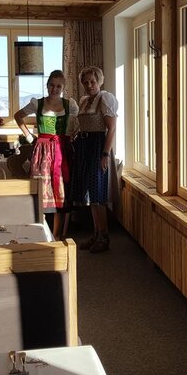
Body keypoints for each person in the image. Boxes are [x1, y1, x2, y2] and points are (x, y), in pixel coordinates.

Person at [13, 70, 78, 239]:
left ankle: (56, 236)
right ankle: (40, 234)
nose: (54, 89)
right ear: (47, 85)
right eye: (51, 85)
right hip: (42, 152)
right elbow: (18, 116)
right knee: (42, 189)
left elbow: (80, 121)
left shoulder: (70, 104)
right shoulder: (38, 103)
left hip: (61, 151)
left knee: (60, 191)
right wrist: (29, 137)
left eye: (58, 86)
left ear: (63, 87)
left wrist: (71, 136)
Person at [69, 66, 118, 253]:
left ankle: (104, 237)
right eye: (86, 82)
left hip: (98, 147)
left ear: (99, 81)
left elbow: (111, 129)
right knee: (90, 195)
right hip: (84, 147)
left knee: (97, 195)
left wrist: (105, 155)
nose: (89, 85)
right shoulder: (84, 101)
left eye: (93, 81)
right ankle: (96, 234)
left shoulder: (106, 98)